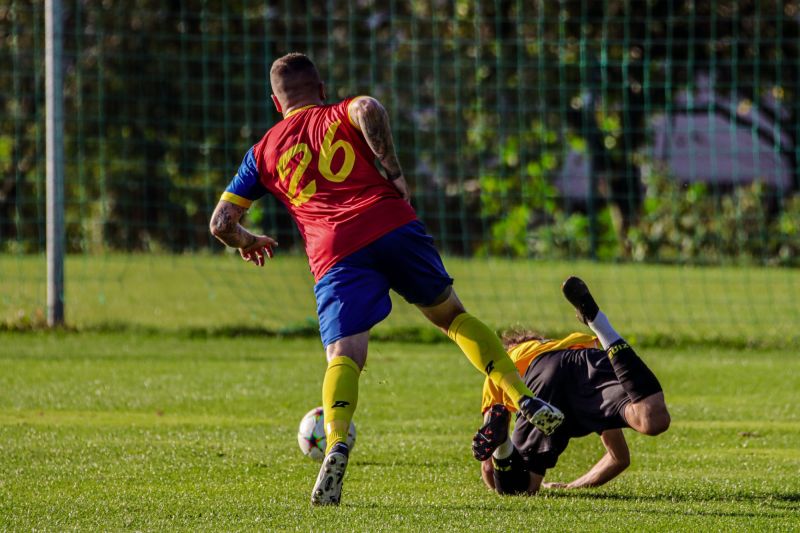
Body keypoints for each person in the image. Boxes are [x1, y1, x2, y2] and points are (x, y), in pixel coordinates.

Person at [208, 52, 564, 506]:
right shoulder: (338, 111)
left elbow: (220, 222)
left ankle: (336, 440)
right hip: (390, 223)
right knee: (452, 317)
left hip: (335, 252)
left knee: (344, 355)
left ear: (275, 104)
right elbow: (369, 108)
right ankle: (522, 396)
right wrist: (393, 172)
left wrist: (247, 241)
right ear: (320, 89)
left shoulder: (262, 153)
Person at [472, 276, 671, 495]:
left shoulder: (503, 364)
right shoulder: (563, 342)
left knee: (521, 488)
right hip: (587, 358)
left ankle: (502, 444)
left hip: (541, 375)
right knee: (651, 419)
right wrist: (573, 487)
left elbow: (489, 468)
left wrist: (500, 462)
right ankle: (600, 326)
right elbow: (619, 458)